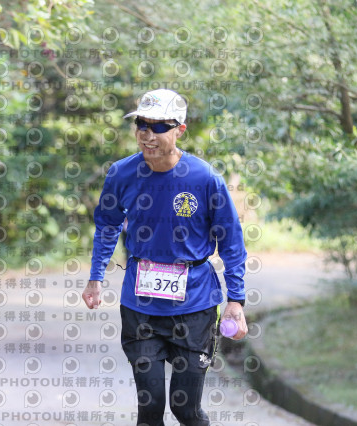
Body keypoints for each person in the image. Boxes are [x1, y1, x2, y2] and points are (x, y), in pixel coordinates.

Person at [82, 88, 248, 426]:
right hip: (140, 305)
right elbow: (107, 225)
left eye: (159, 126)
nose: (148, 134)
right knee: (151, 407)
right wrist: (95, 277)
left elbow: (231, 240)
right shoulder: (121, 173)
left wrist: (236, 300)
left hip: (195, 306)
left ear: (180, 130)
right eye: (141, 125)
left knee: (185, 409)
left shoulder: (205, 178)